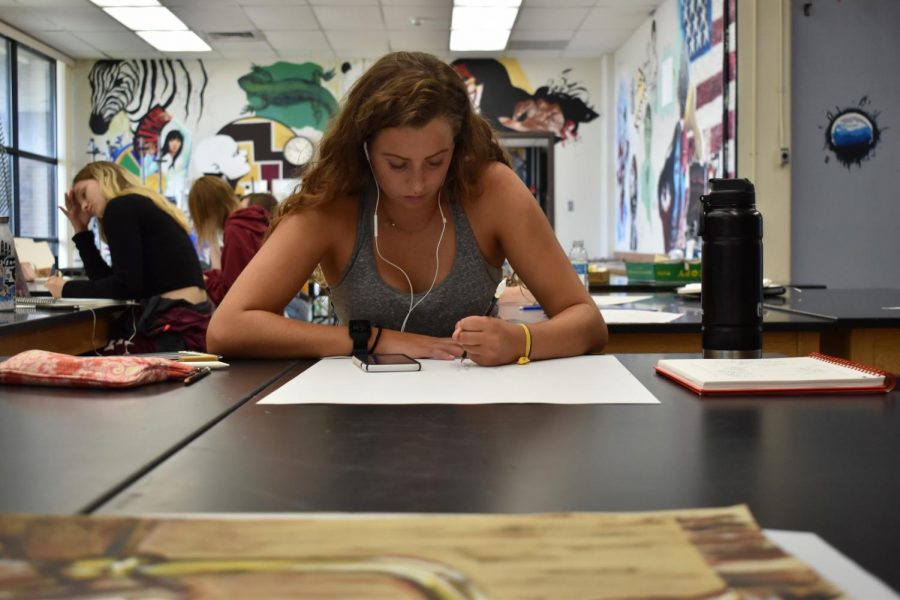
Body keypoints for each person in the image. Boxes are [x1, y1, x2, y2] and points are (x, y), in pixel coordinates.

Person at [207, 51, 607, 366]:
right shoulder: (333, 205)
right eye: (396, 164)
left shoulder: (491, 189)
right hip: (359, 421)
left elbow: (586, 321)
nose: (417, 184)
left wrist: (522, 340)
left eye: (436, 161)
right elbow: (227, 329)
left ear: (458, 146)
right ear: (363, 149)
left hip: (475, 414)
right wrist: (374, 339)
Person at [46, 161, 212, 353]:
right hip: (191, 321)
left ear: (103, 176)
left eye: (84, 193)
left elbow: (125, 286)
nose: (83, 206)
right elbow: (112, 281)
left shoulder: (119, 207)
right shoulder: (138, 204)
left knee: (82, 355)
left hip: (170, 326)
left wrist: (66, 288)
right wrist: (81, 230)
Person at [188, 176, 270, 306]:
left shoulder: (235, 231)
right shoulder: (251, 222)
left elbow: (232, 295)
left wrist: (205, 281)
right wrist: (213, 276)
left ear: (207, 212)